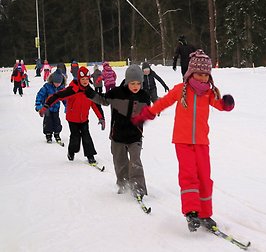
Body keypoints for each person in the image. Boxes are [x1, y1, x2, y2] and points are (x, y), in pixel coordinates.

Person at [131, 49, 235, 232]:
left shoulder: (209, 93)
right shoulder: (181, 90)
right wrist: (147, 114)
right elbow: (163, 102)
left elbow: (220, 105)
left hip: (202, 142)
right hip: (183, 141)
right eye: (199, 74)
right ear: (191, 73)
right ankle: (191, 212)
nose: (203, 78)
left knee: (204, 177)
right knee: (189, 175)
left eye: (206, 74)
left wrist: (227, 103)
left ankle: (205, 213)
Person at [85, 65, 151, 199]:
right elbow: (103, 100)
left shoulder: (144, 96)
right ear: (127, 81)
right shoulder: (117, 93)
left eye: (138, 83)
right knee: (120, 162)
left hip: (135, 136)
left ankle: (138, 188)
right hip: (118, 135)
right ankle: (124, 184)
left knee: (135, 162)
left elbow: (145, 113)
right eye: (132, 83)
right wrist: (89, 92)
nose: (135, 86)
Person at [39, 66, 105, 164]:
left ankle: (90, 155)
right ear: (79, 79)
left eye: (87, 79)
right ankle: (71, 151)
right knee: (75, 137)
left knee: (86, 136)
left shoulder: (90, 92)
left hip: (84, 119)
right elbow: (57, 96)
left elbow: (96, 105)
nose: (85, 81)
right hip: (72, 119)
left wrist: (101, 118)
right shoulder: (72, 90)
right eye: (83, 79)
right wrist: (46, 106)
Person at [35, 69, 66, 143]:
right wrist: (38, 104)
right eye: (56, 82)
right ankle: (48, 134)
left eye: (59, 83)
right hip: (47, 108)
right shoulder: (47, 87)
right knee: (48, 121)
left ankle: (57, 133)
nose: (57, 84)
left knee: (56, 121)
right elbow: (40, 95)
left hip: (56, 108)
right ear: (52, 81)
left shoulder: (61, 89)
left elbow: (65, 99)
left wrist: (67, 106)